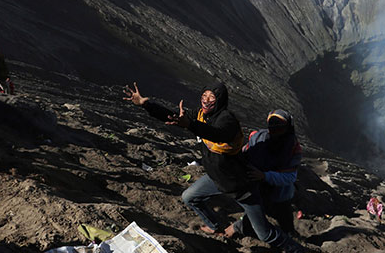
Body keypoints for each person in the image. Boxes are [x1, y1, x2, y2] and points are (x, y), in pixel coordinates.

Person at [123, 82, 305, 252]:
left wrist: (191, 125)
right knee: (189, 197)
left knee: (264, 233)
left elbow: (218, 134)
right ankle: (217, 228)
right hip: (217, 177)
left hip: (240, 185)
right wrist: (146, 104)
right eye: (204, 95)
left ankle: (298, 249)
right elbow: (174, 116)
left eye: (211, 97)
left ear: (220, 100)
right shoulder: (200, 115)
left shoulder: (228, 120)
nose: (206, 100)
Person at [225, 109, 302, 238]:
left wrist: (265, 176)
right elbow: (244, 153)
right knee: (255, 215)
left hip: (280, 194)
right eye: (272, 124)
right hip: (257, 189)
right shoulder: (259, 138)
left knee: (285, 221)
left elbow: (290, 177)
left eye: (279, 126)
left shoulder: (292, 148)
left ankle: (290, 236)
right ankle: (237, 228)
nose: (275, 129)